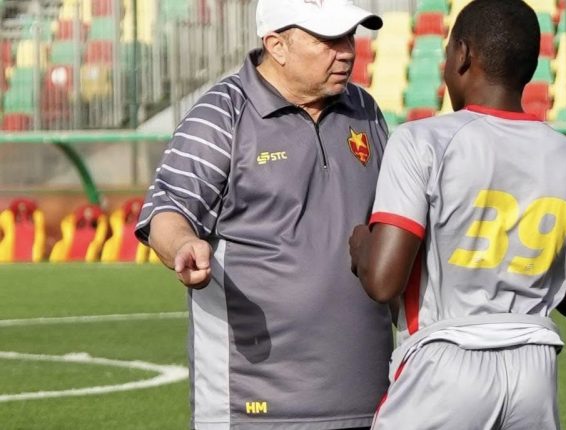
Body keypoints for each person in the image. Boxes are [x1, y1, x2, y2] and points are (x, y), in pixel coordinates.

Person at [349, 1, 566, 428]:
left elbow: (382, 281)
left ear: (463, 54)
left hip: (445, 361)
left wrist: (362, 247)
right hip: (535, 371)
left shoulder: (422, 141)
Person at [135, 1, 393, 428]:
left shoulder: (365, 109)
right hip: (253, 405)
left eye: (350, 36)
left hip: (368, 400)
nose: (347, 51)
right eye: (329, 40)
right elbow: (167, 207)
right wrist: (182, 244)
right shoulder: (222, 113)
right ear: (277, 45)